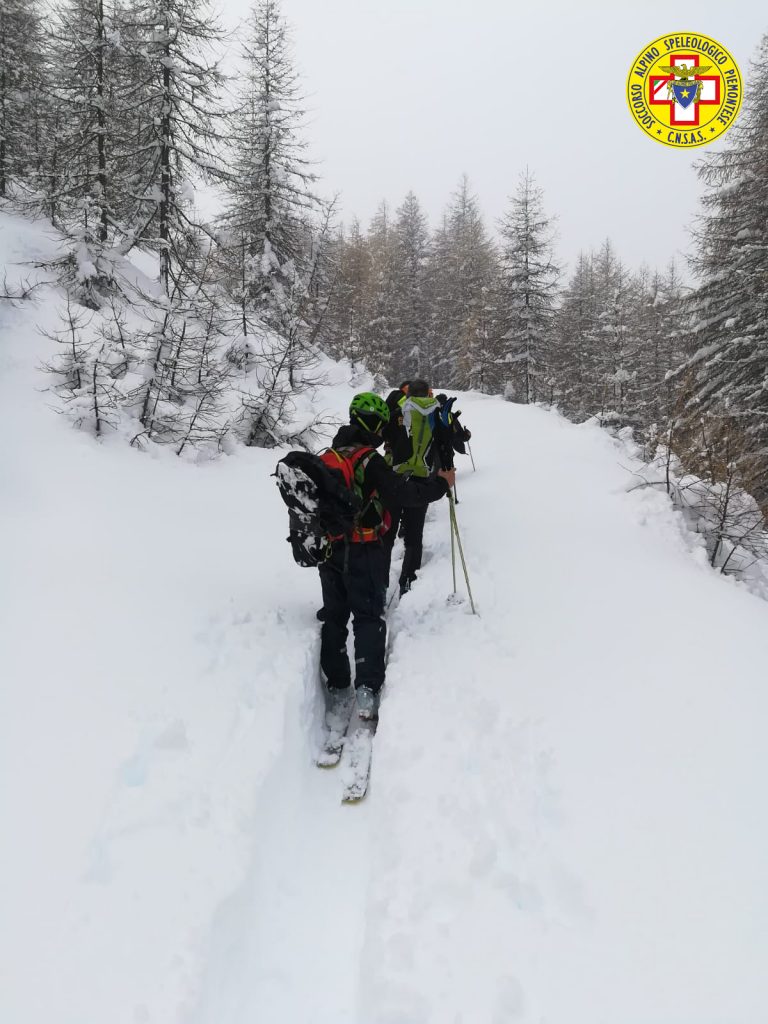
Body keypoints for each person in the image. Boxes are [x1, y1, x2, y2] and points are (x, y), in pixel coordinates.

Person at [319, 392, 454, 723]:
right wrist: (440, 485)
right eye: (380, 426)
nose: (382, 433)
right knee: (368, 616)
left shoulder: (328, 456)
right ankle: (366, 689)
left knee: (335, 616)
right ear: (372, 424)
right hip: (364, 549)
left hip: (329, 550)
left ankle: (337, 684)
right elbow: (404, 493)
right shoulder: (370, 460)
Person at [385, 378, 450, 595]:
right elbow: (444, 444)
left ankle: (381, 580)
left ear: (409, 393)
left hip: (395, 478)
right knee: (414, 535)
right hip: (422, 477)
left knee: (387, 533)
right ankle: (409, 580)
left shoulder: (399, 412)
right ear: (428, 393)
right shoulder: (435, 414)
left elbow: (385, 436)